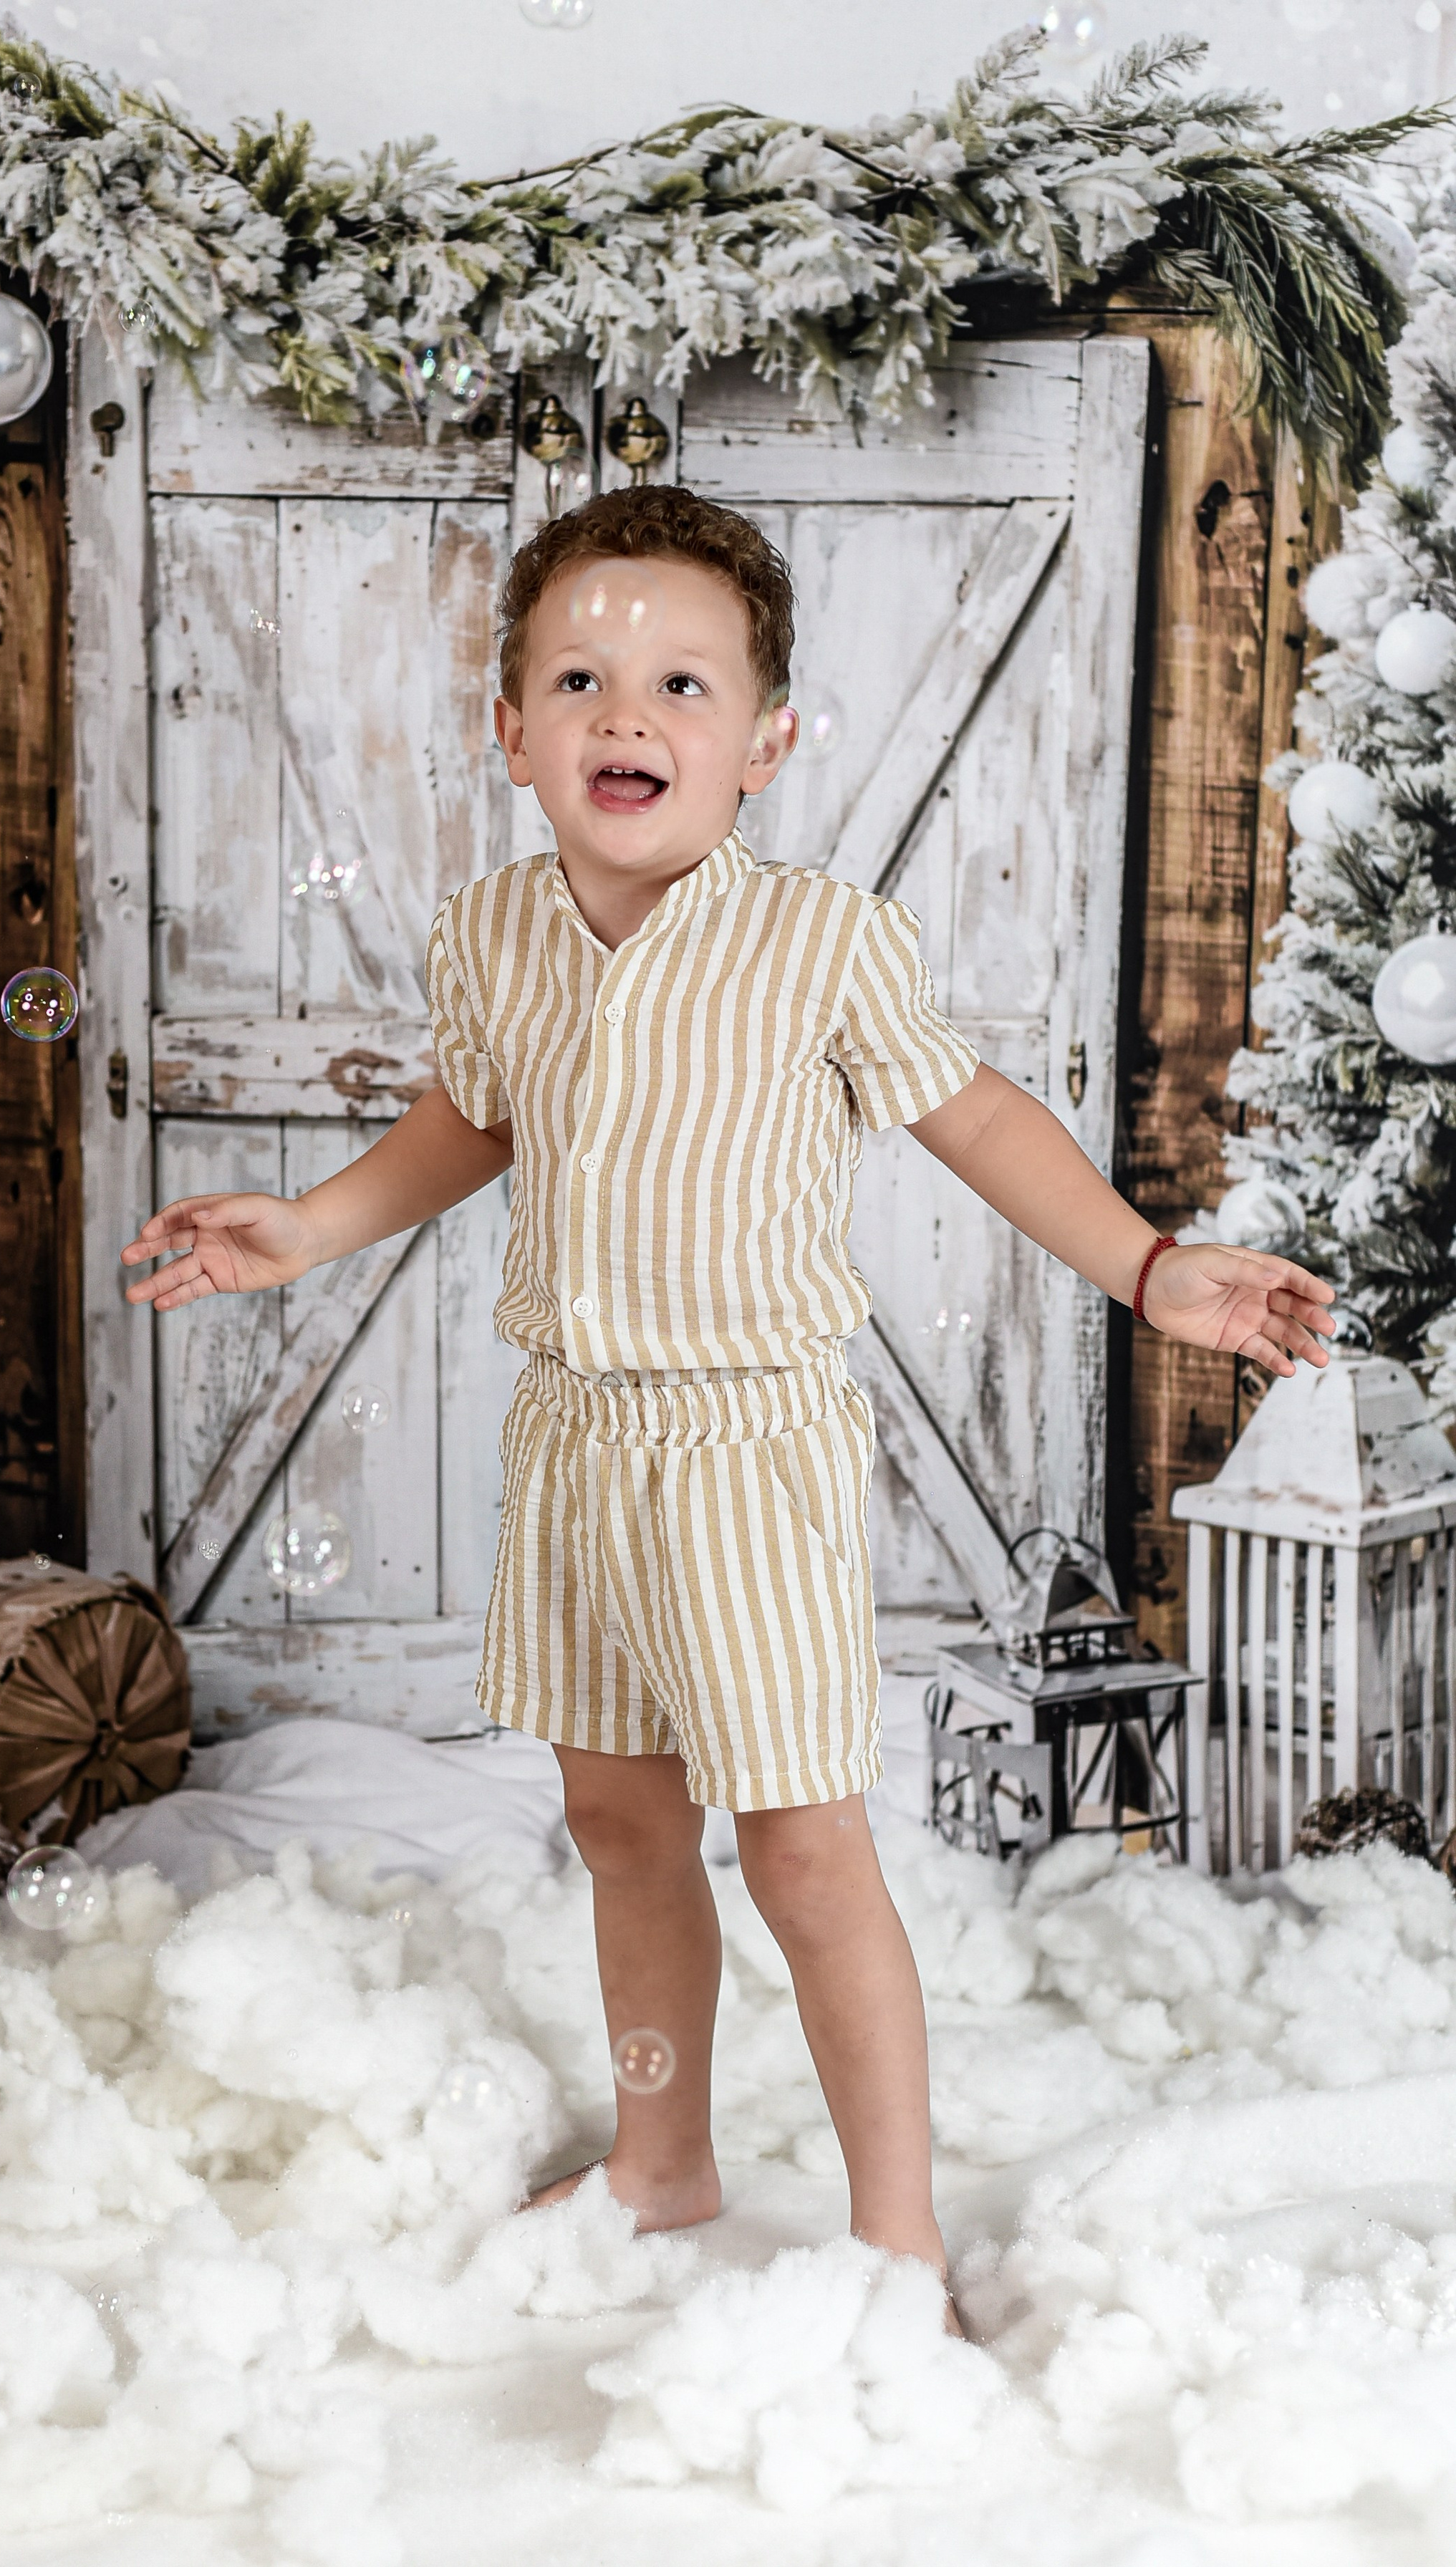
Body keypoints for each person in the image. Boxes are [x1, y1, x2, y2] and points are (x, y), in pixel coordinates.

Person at [120, 484, 1335, 2316]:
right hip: (578, 1440)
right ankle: (660, 2162)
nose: (629, 715)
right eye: (580, 677)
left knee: (799, 1837)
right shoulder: (494, 936)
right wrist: (305, 1225)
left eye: (683, 683)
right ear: (506, 728)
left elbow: (977, 1116)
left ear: (762, 742)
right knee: (614, 1816)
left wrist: (1152, 1270)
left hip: (747, 1444)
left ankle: (897, 2230)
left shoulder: (813, 940)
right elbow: (472, 1120)